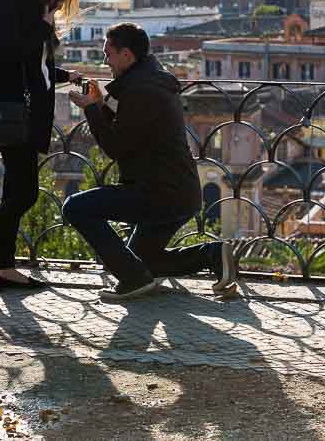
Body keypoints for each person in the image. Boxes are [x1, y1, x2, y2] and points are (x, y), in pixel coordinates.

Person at [64, 23, 237, 301]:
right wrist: (99, 104)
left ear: (126, 55)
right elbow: (129, 130)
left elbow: (116, 147)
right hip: (177, 191)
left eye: (108, 54)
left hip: (157, 193)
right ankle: (212, 255)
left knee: (76, 207)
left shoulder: (142, 91)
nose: (105, 61)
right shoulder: (150, 82)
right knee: (142, 261)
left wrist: (92, 109)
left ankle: (133, 280)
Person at [0, 0, 83, 291]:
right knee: (25, 193)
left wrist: (64, 76)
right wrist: (44, 27)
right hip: (14, 115)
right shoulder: (14, 4)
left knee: (15, 192)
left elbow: (33, 66)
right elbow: (10, 54)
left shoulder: (26, 9)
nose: (59, 6)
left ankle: (6, 266)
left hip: (23, 113)